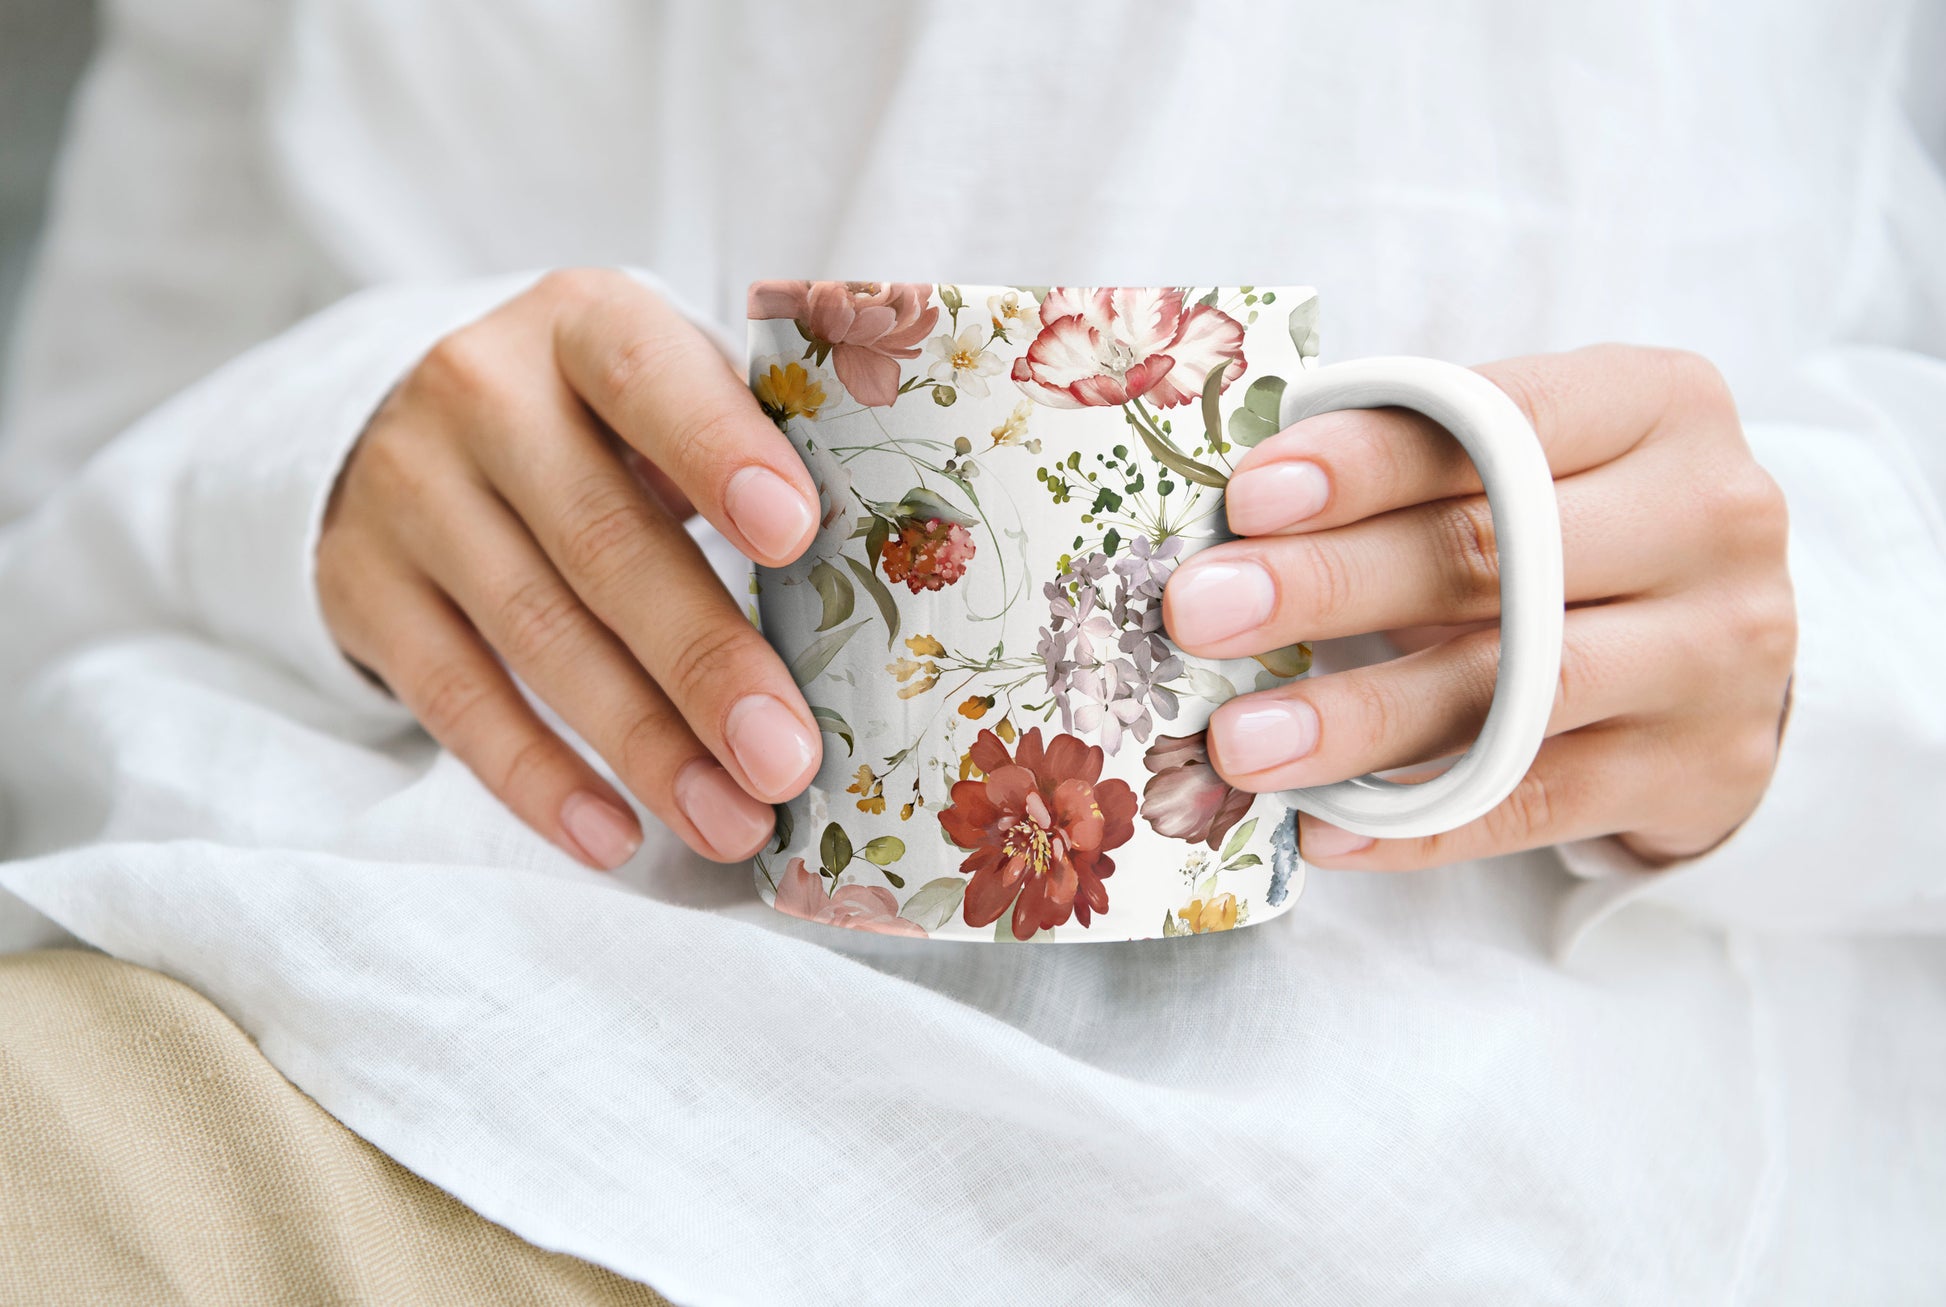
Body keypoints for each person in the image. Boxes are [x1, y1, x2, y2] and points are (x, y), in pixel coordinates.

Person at [1, 2, 1941, 1303]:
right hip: (419, 1010)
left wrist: (1821, 636)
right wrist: (321, 455)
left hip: (1487, 1149)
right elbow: (77, 470)